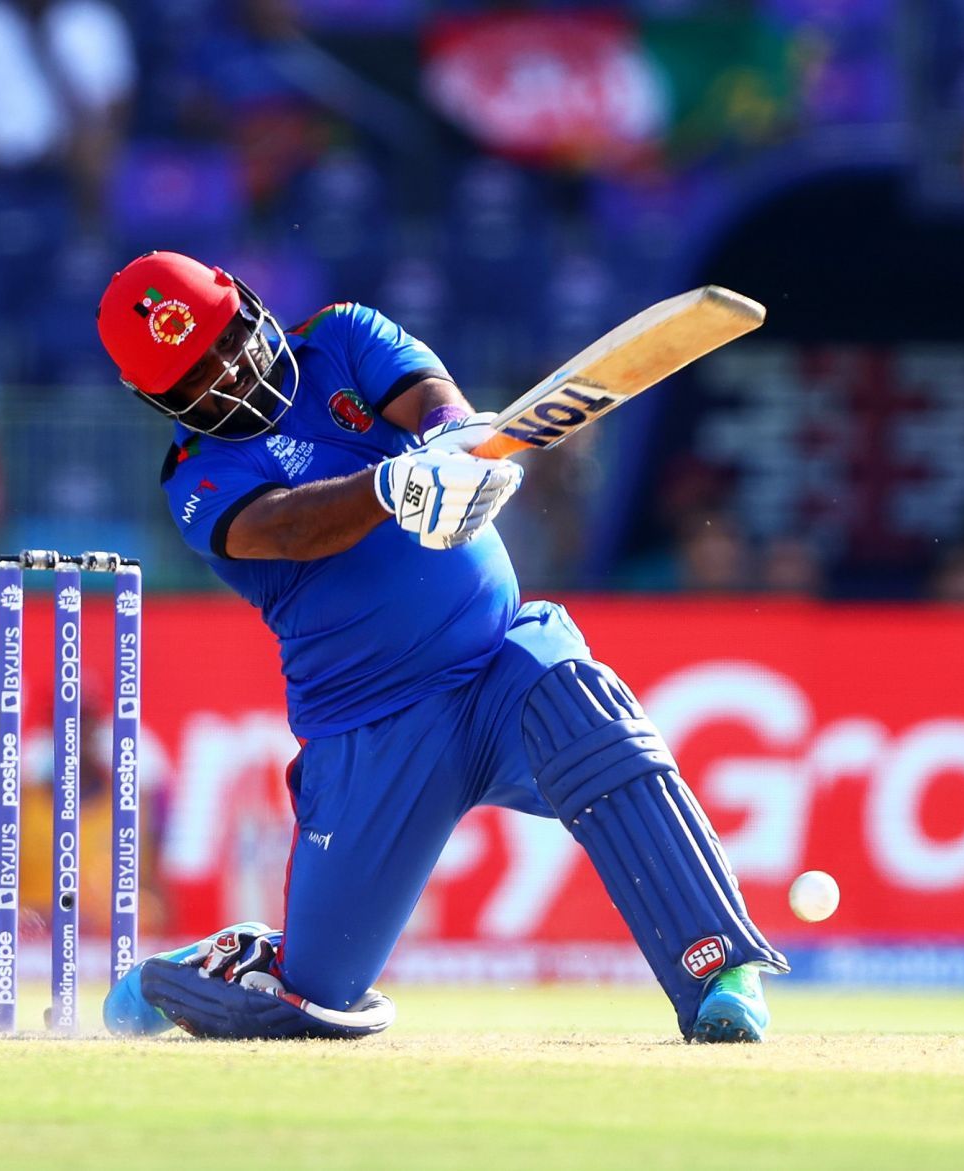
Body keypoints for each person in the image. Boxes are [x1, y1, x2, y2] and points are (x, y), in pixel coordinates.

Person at [93, 251, 786, 1043]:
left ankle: (719, 972)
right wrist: (389, 488)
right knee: (315, 1001)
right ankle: (235, 961)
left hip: (496, 664)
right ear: (157, 399)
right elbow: (286, 525)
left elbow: (428, 394)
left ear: (251, 305)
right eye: (193, 378)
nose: (227, 377)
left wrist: (452, 438)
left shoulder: (340, 336)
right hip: (372, 731)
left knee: (596, 726)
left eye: (227, 343)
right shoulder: (195, 473)